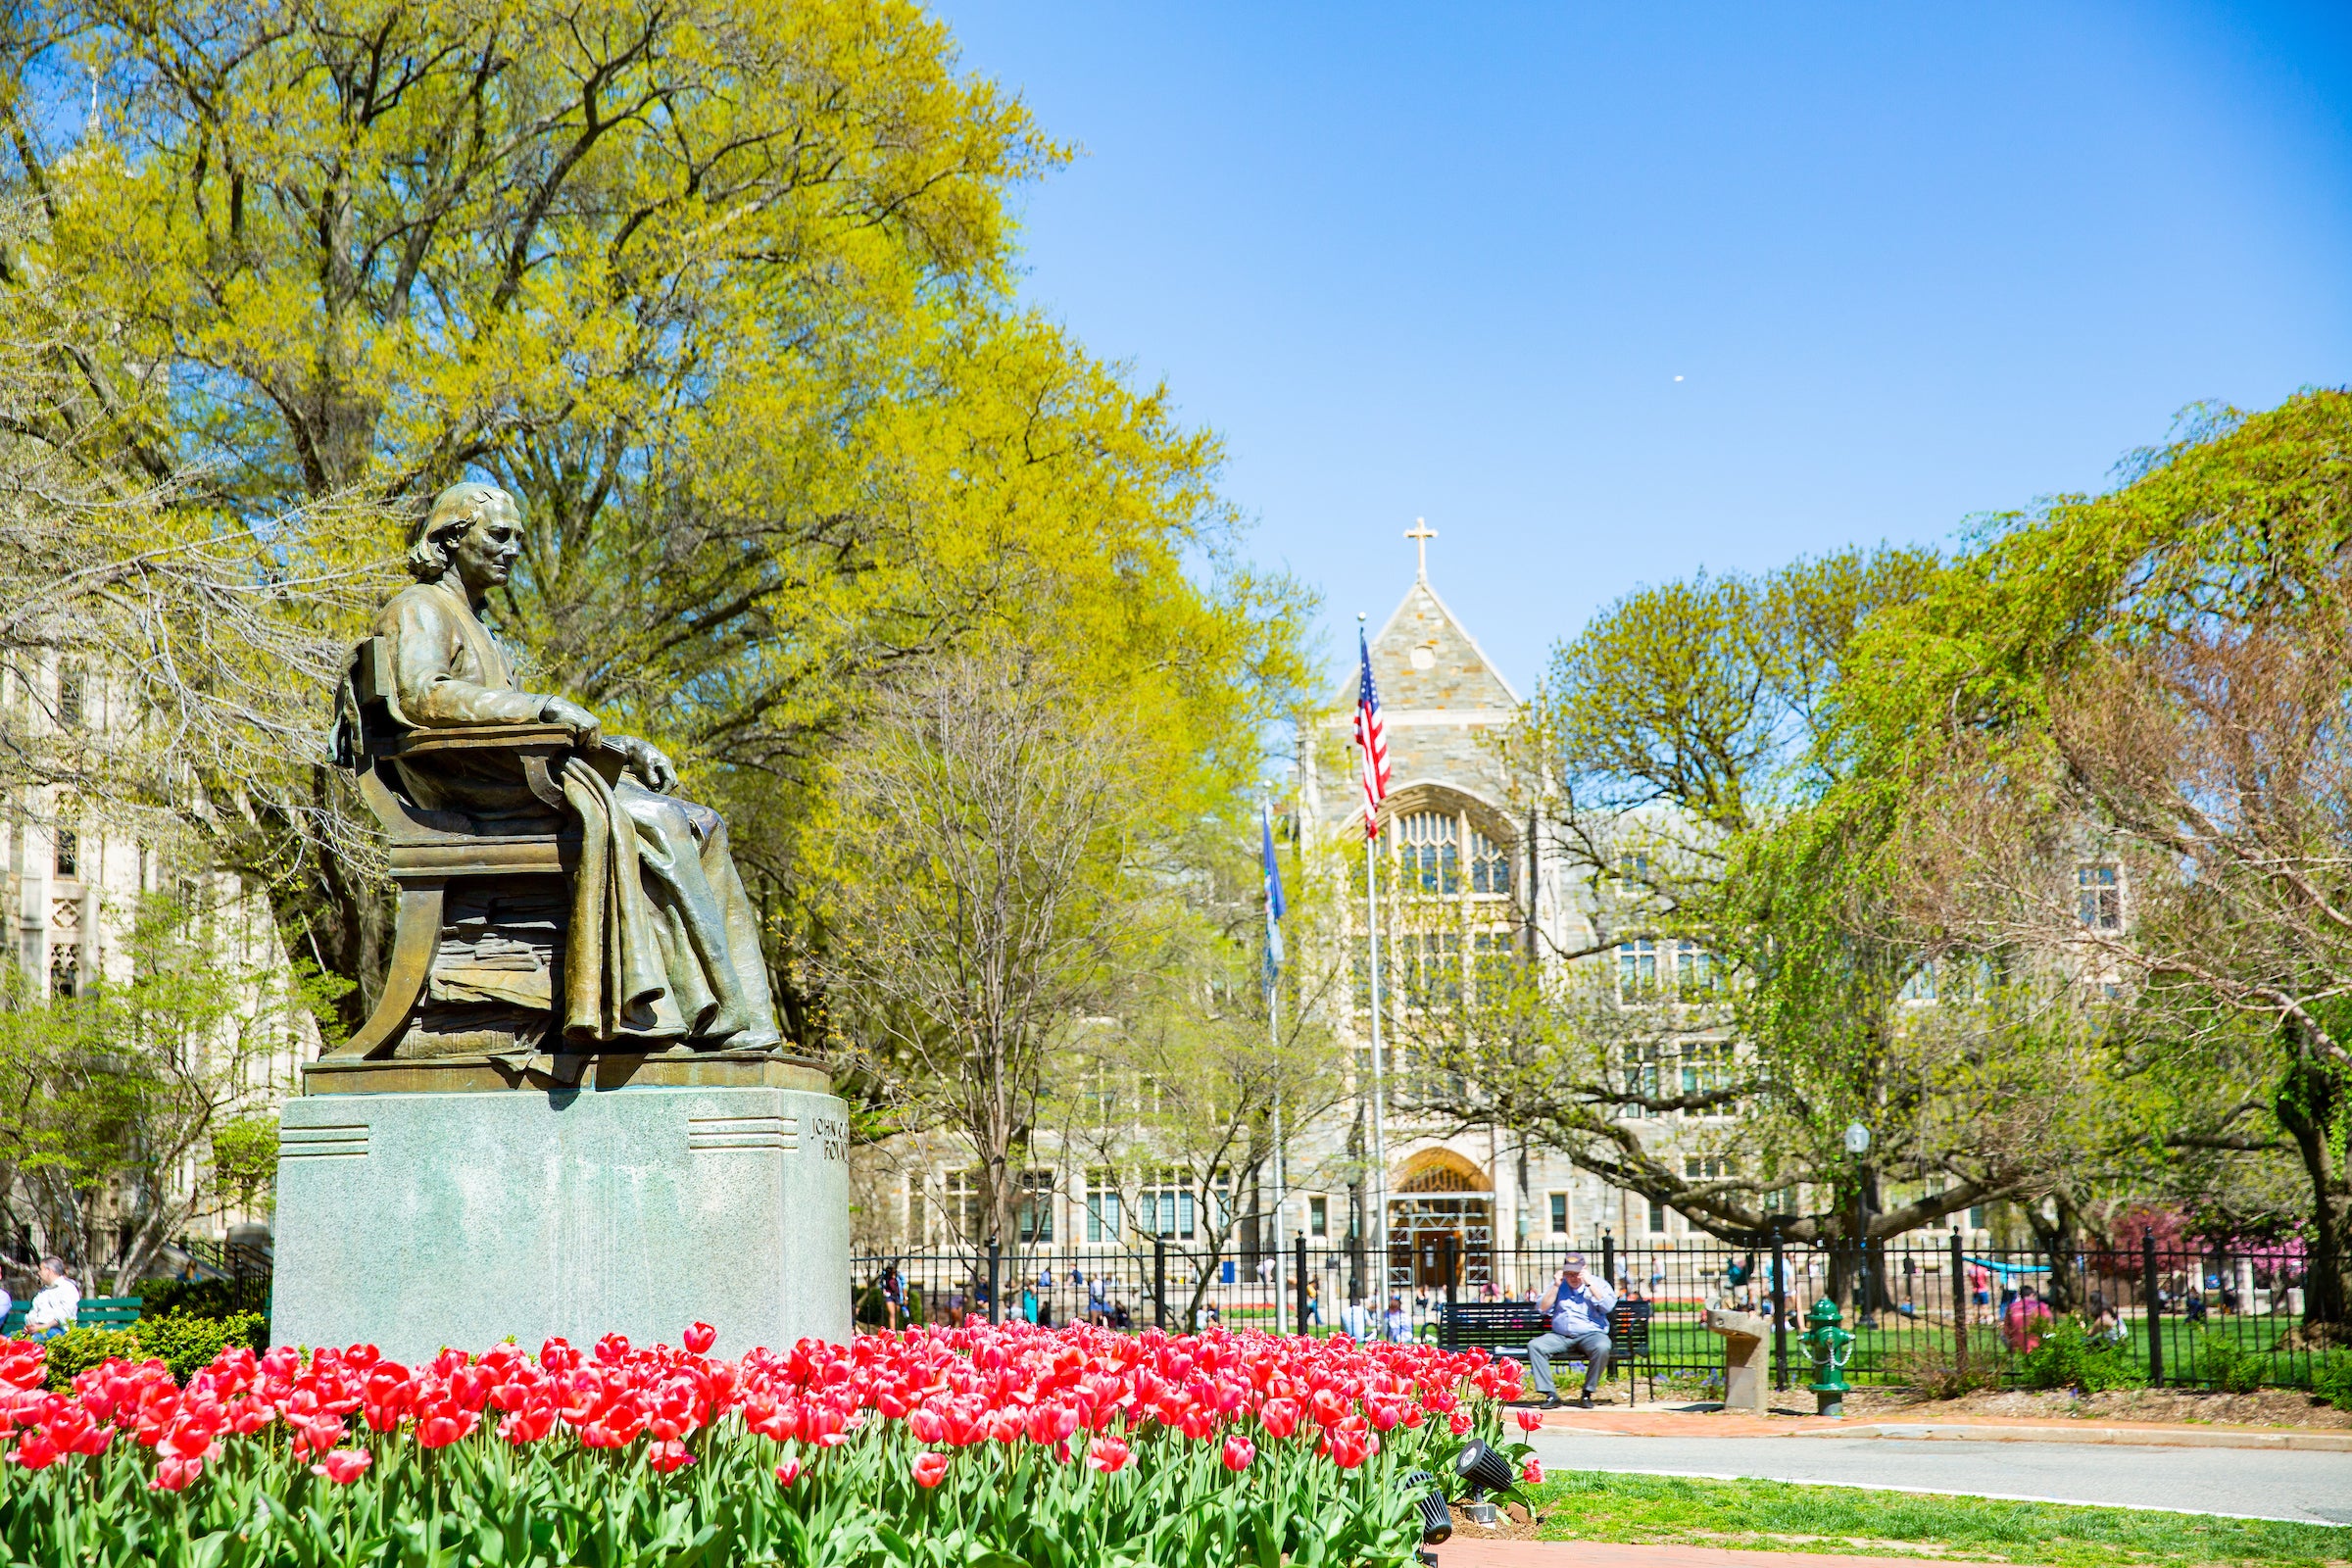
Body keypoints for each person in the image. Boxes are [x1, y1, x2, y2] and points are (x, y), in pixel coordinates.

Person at [343, 481, 781, 1050]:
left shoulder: (476, 624)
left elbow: (521, 723)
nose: (512, 550)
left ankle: (738, 1016)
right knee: (660, 824)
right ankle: (674, 1014)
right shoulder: (418, 607)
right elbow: (425, 694)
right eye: (498, 535)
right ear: (452, 539)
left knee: (704, 824)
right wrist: (540, 705)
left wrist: (622, 747)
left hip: (512, 781)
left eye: (518, 538)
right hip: (471, 795)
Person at [1525, 1252, 1618, 1410]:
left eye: (1576, 1273)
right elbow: (1542, 1308)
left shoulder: (1598, 1284)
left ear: (1585, 1269)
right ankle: (1551, 1395)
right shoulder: (1558, 1284)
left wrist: (1590, 1285)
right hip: (1561, 1336)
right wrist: (1555, 1286)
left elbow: (1608, 1306)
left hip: (1591, 1334)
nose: (1572, 1278)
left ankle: (1587, 1393)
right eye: (1569, 1274)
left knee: (1602, 1347)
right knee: (1536, 1346)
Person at [24, 1258, 78, 1341]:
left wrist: (41, 1327)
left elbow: (63, 1316)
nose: (38, 1273)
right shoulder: (43, 1292)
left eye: (41, 1269)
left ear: (48, 1271)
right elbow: (33, 1312)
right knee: (8, 1339)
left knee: (32, 1341)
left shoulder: (68, 1288)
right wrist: (30, 1327)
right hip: (38, 1331)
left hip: (59, 1331)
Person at [2002, 1286, 2053, 1352]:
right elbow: (2050, 1326)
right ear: (2032, 1295)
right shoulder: (2041, 1306)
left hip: (2017, 1345)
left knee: (2002, 1335)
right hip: (2036, 1345)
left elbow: (2006, 1330)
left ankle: (2013, 1351)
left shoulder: (2011, 1307)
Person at [879, 1264, 906, 1331]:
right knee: (892, 1313)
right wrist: (883, 1291)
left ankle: (895, 1329)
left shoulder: (899, 1276)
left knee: (896, 1314)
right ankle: (892, 1331)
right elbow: (880, 1284)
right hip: (889, 1296)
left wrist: (905, 1297)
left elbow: (904, 1286)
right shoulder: (885, 1276)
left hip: (898, 1296)